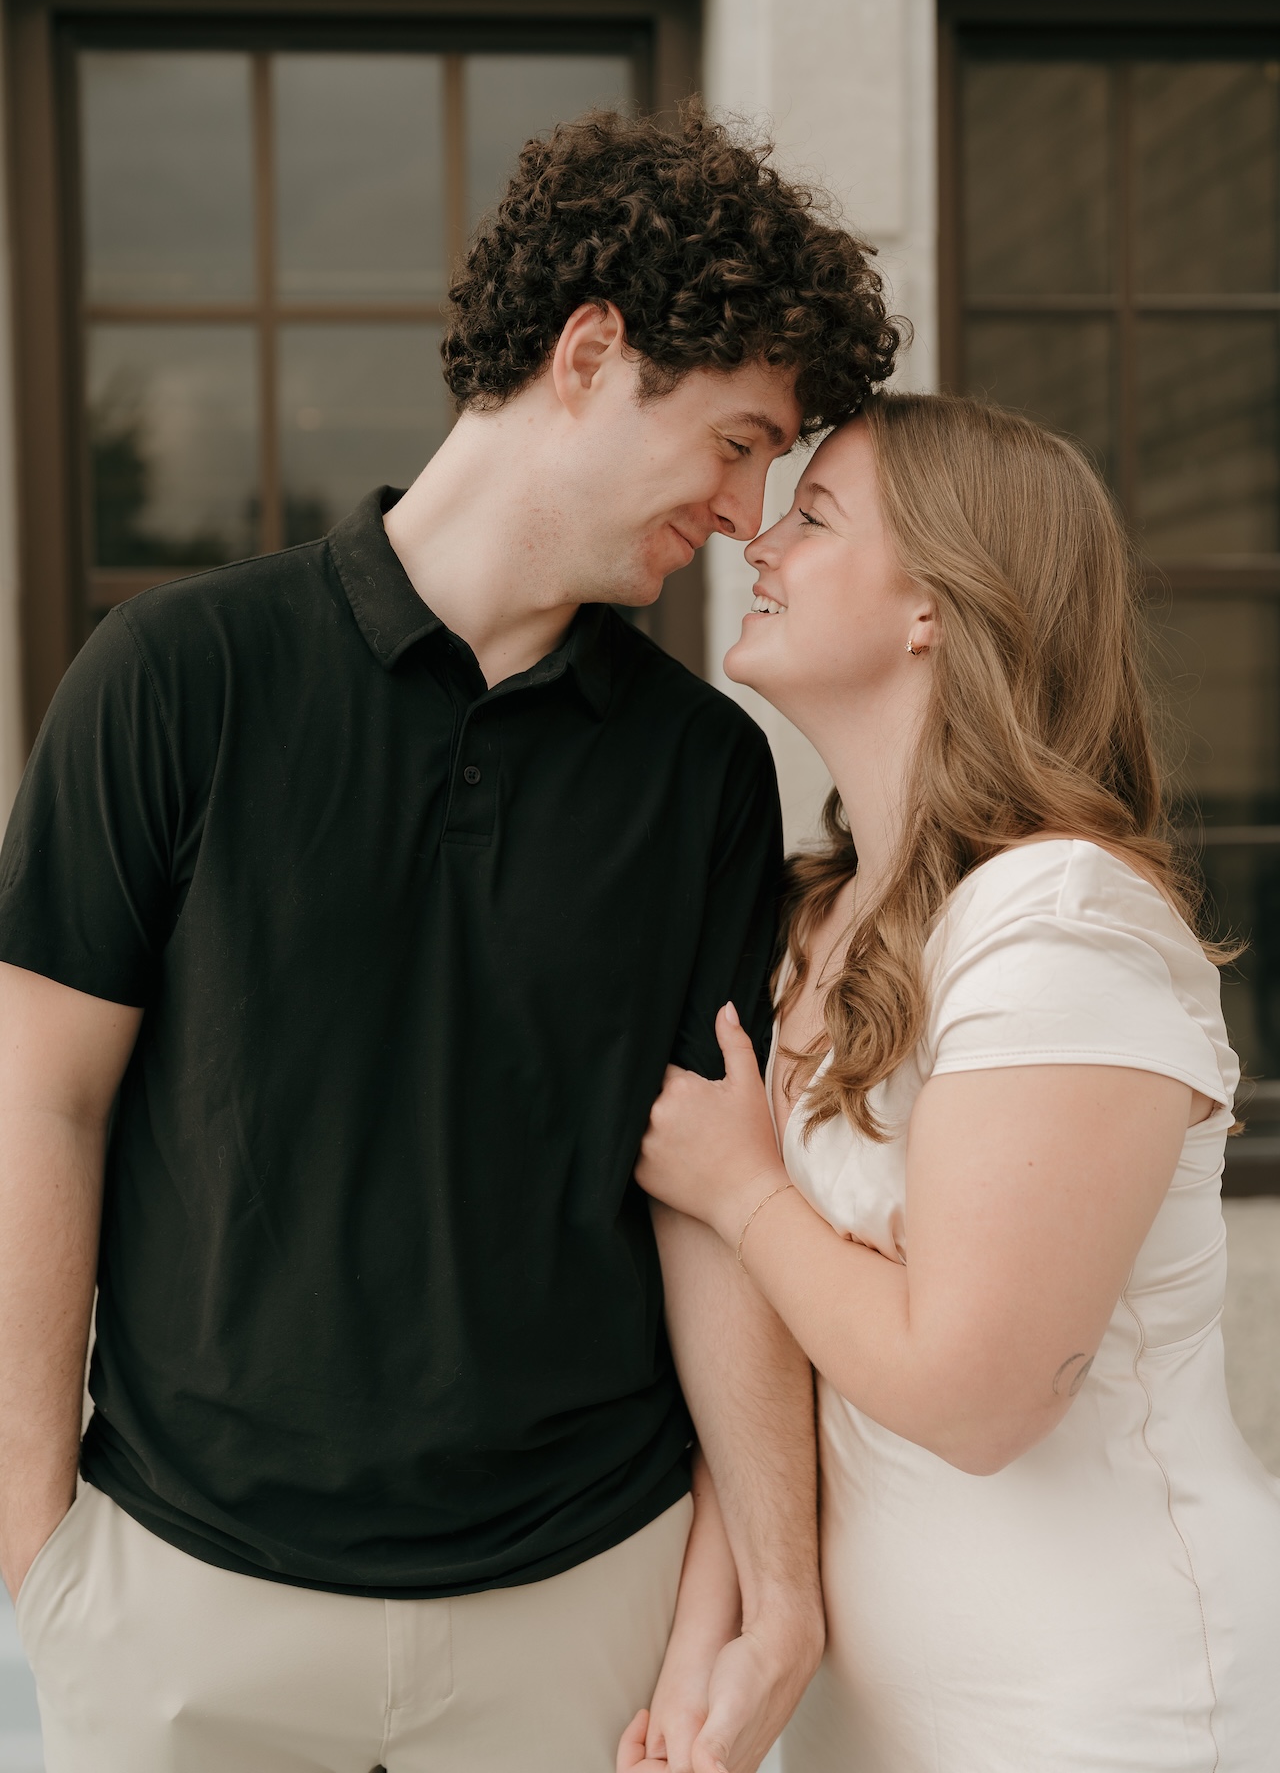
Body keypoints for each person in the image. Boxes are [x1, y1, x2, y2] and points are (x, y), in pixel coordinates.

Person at [0, 106, 900, 1773]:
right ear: (588, 350)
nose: (745, 509)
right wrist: (33, 1540)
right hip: (190, 1602)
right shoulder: (174, 679)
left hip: (579, 1619)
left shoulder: (702, 769)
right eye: (734, 439)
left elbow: (702, 1187)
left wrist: (777, 1578)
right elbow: (38, 1101)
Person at [636, 392, 1280, 1772]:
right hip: (874, 1719)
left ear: (937, 604)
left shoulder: (1061, 919)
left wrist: (746, 1192)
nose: (758, 540)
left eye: (812, 515)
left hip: (1104, 1703)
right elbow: (782, 1370)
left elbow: (979, 1390)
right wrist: (717, 1638)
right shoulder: (819, 926)